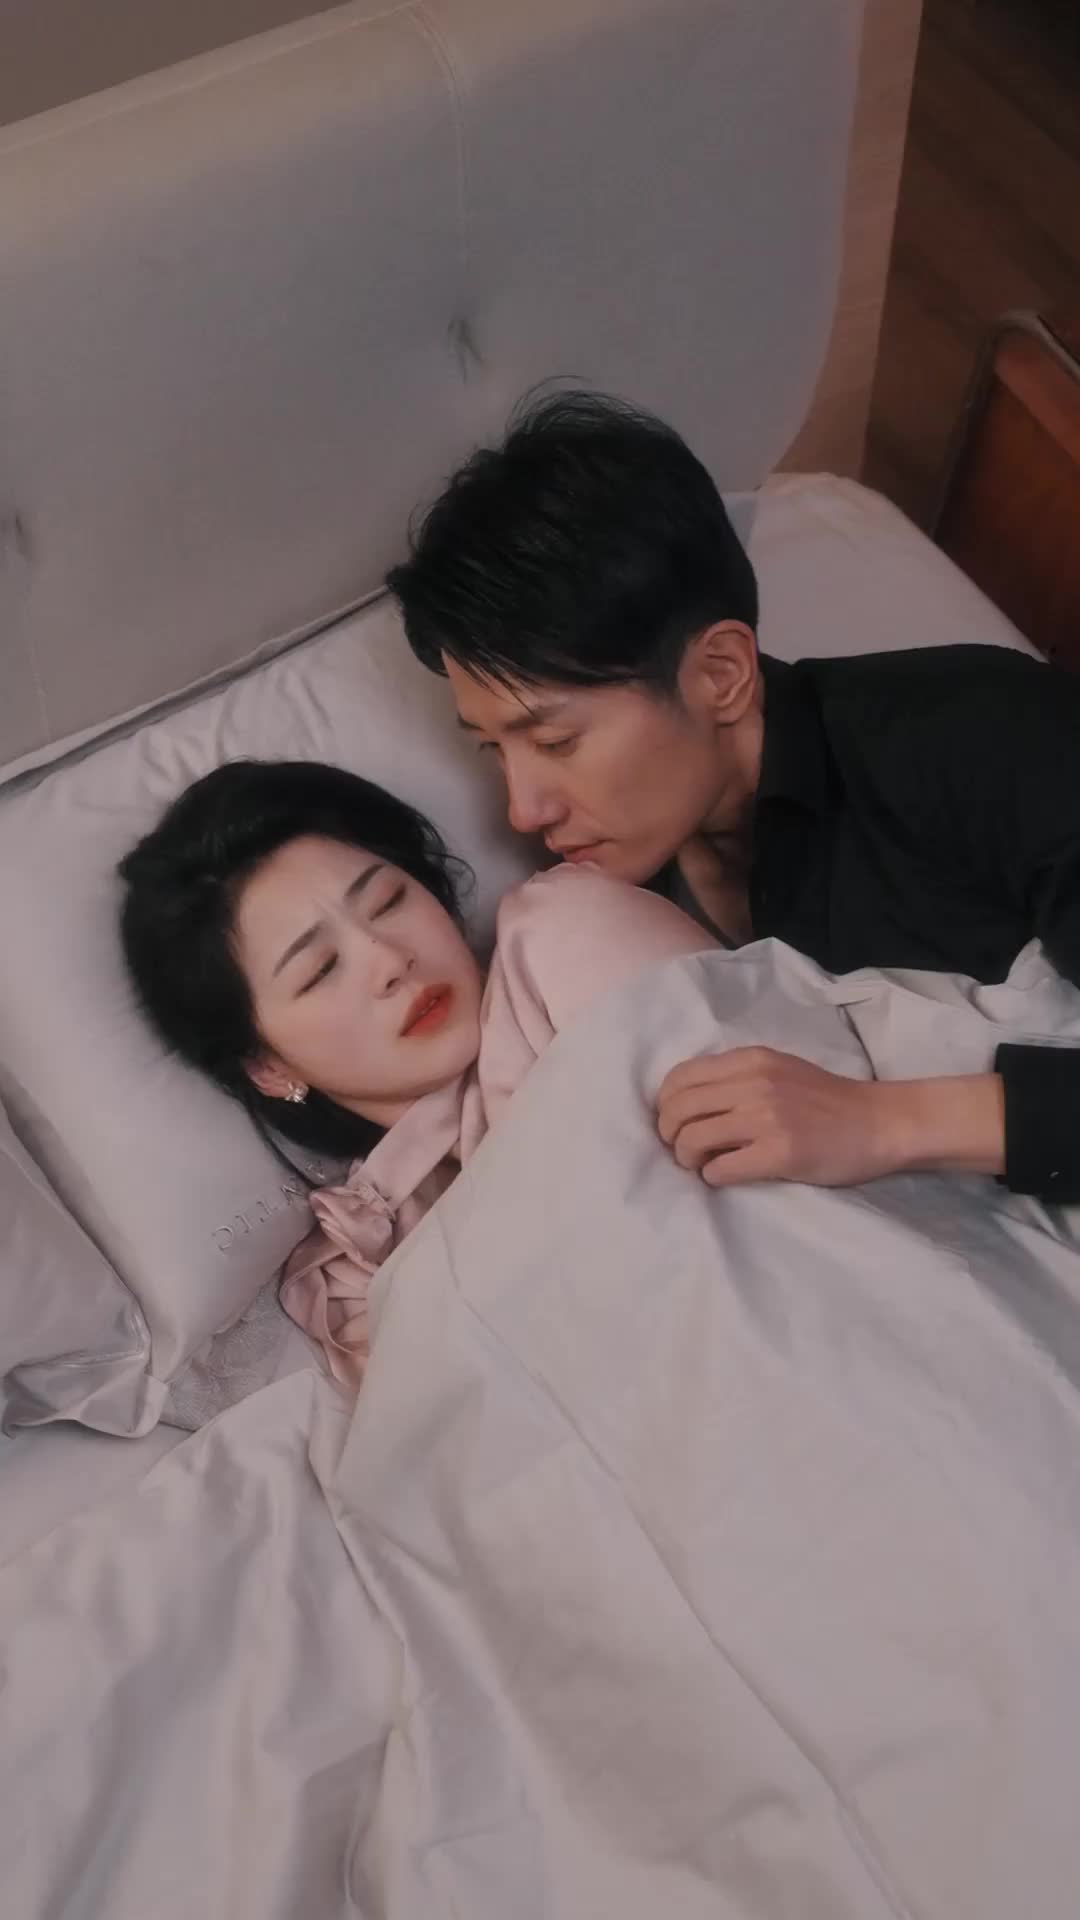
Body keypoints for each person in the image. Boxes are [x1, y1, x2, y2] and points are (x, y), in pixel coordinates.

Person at [387, 390, 1080, 1203]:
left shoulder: (985, 737)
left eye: (556, 741)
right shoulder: (620, 905)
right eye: (492, 750)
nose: (523, 810)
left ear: (720, 674)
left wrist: (886, 1122)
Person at [119, 759, 715, 1387]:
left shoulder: (564, 932)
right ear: (267, 1067)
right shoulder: (355, 1272)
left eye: (389, 901)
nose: (389, 959)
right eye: (321, 970)